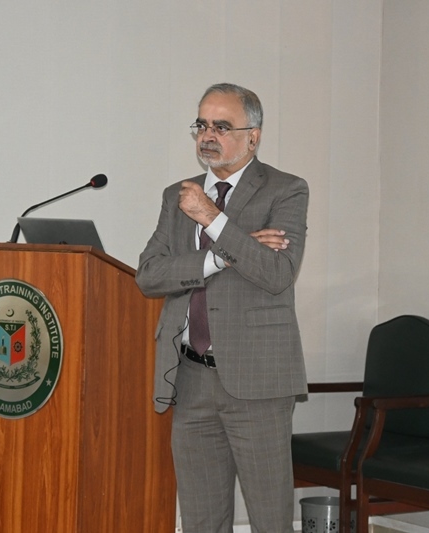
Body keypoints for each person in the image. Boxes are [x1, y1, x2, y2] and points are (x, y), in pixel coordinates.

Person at [136, 83, 309, 533]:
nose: (207, 135)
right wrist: (220, 256)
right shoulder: (178, 195)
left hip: (258, 382)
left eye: (221, 126)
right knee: (201, 521)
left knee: (270, 519)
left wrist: (212, 218)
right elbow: (149, 275)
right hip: (190, 377)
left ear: (253, 137)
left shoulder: (286, 190)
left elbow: (277, 273)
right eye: (202, 124)